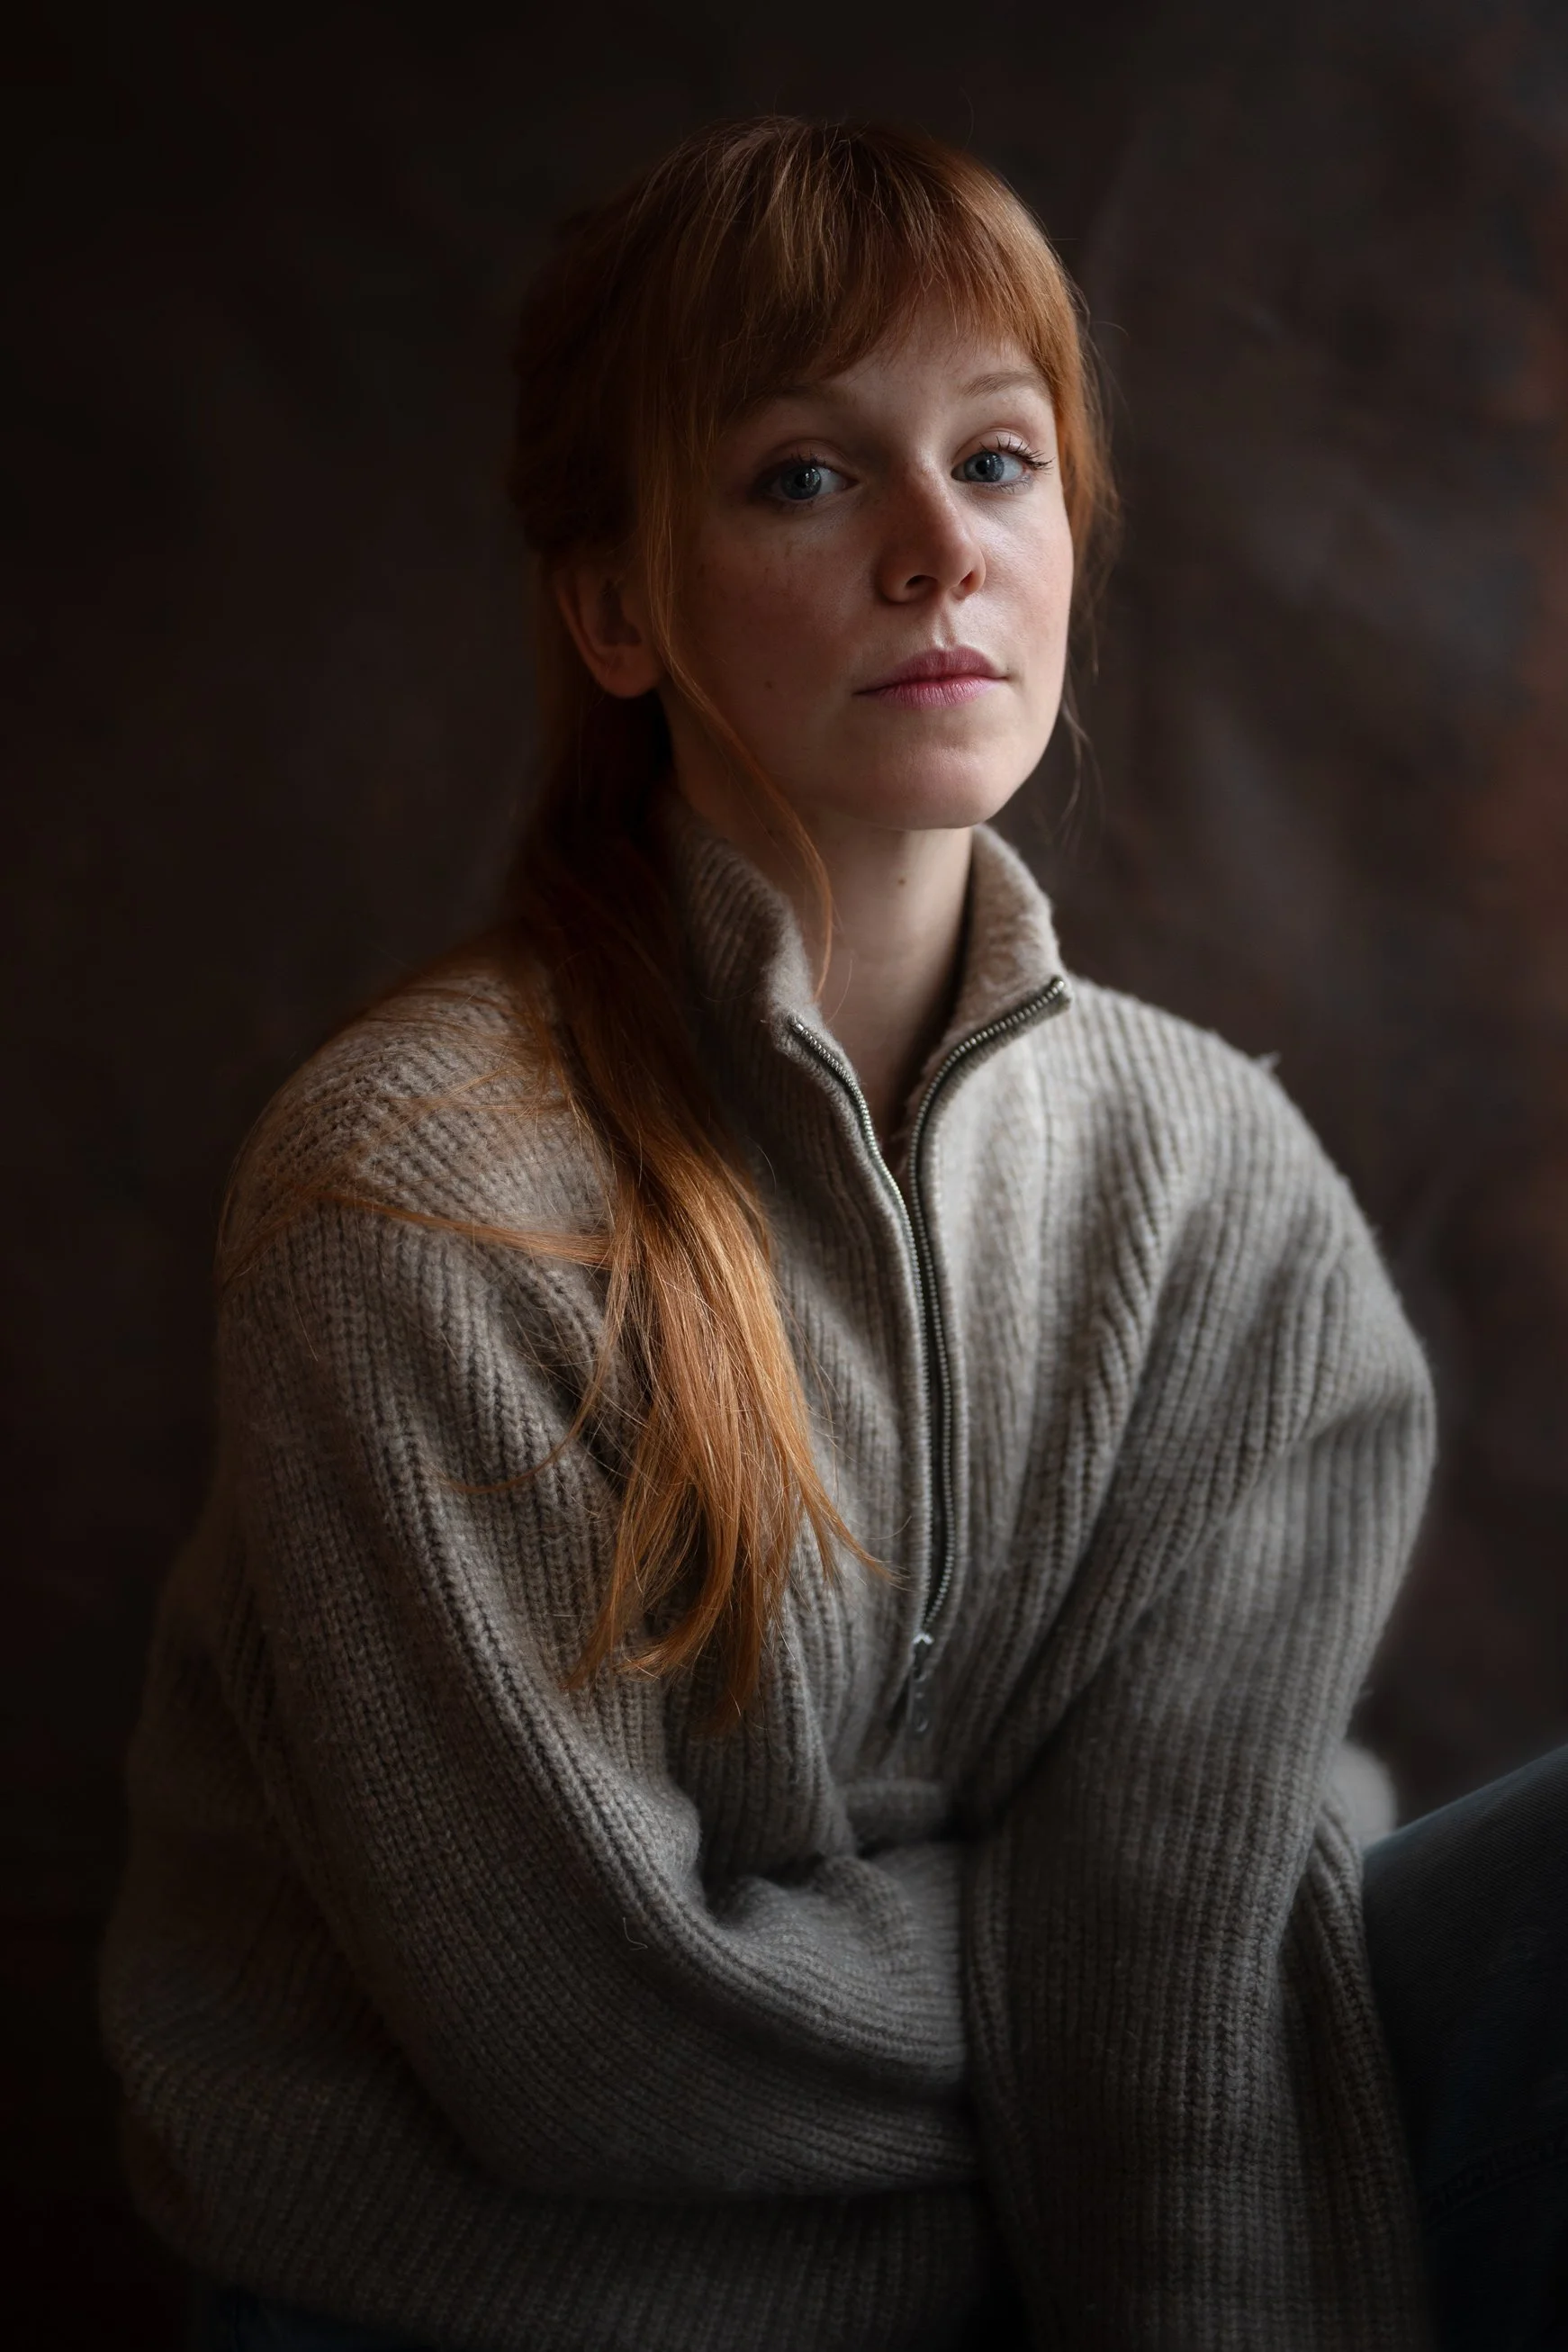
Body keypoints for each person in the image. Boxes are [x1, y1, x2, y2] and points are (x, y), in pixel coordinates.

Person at [100, 115, 1546, 2352]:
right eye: (804, 475)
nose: (932, 553)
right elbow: (589, 2046)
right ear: (613, 606)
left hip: (1035, 2176)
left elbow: (1183, 1995)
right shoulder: (414, 1195)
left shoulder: (1226, 1195)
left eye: (996, 461)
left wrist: (1176, 1971)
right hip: (507, 2284)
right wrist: (1125, 1962)